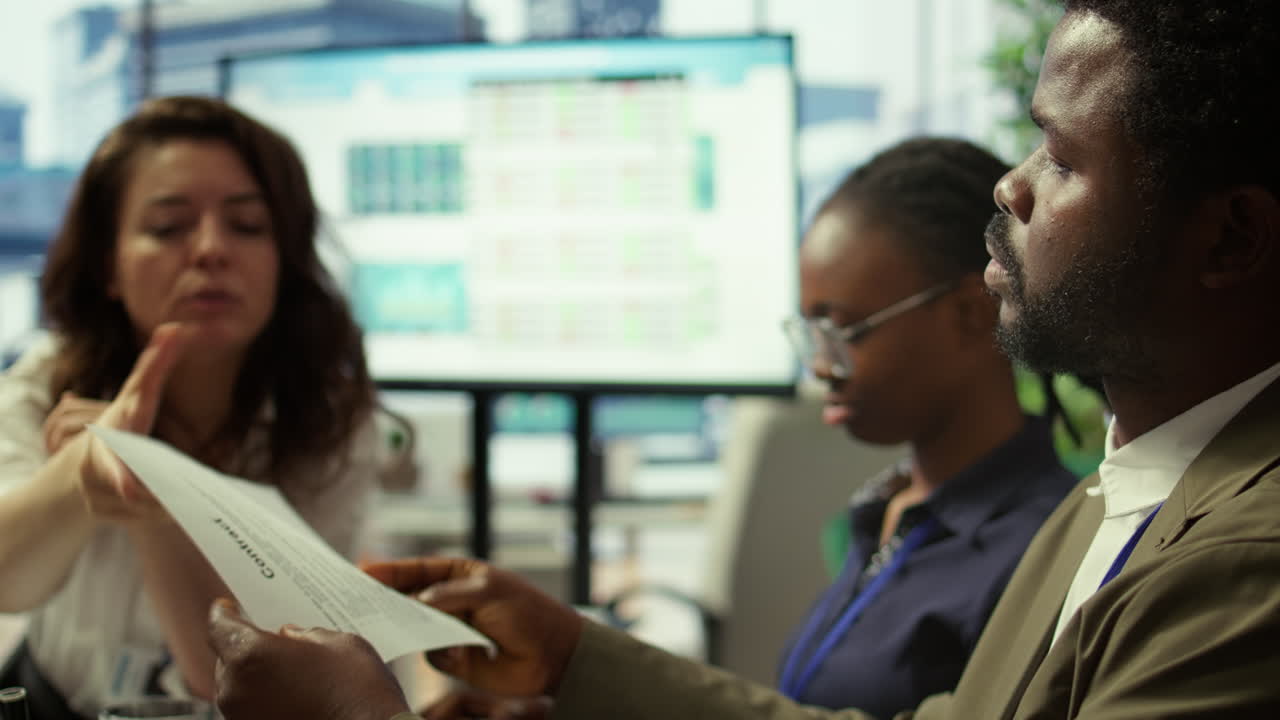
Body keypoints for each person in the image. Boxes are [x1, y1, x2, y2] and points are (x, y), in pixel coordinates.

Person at [208, 1, 1280, 717]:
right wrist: (577, 657)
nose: (1010, 185)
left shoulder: (1243, 560)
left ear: (1227, 238)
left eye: (1061, 153)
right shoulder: (1116, 493)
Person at [0, 95, 381, 720]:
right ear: (110, 266)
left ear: (284, 259)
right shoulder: (46, 383)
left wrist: (156, 494)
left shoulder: (330, 421)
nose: (210, 250)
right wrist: (82, 475)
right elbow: (8, 583)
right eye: (168, 227)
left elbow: (244, 678)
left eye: (249, 225)